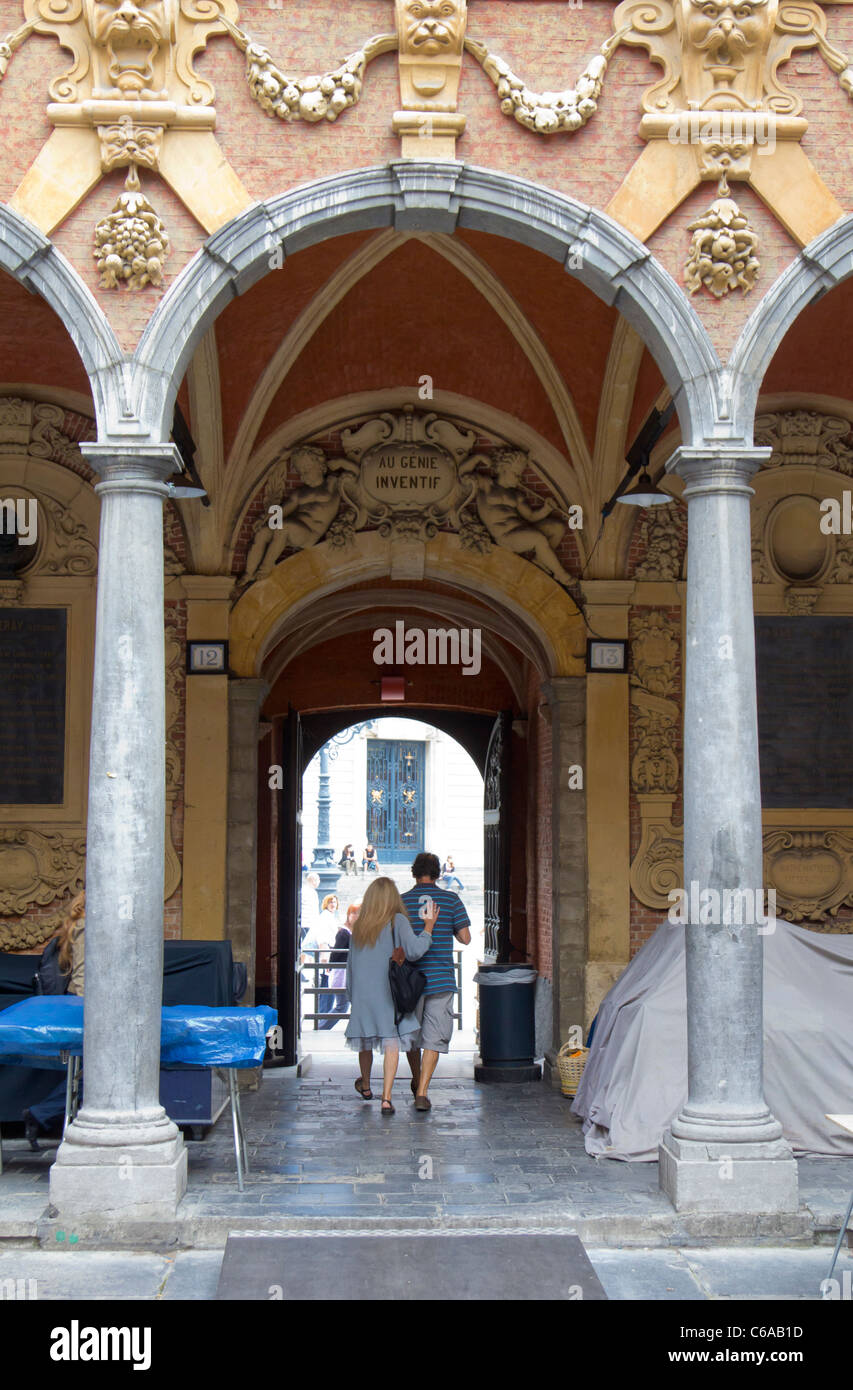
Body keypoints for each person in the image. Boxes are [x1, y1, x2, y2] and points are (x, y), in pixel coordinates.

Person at [346, 876, 438, 1114]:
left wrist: (352, 995)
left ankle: (366, 1085)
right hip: (388, 991)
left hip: (363, 993)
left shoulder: (360, 927)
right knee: (391, 1041)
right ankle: (386, 1098)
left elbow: (351, 965)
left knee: (365, 1040)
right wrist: (428, 927)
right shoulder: (397, 921)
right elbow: (415, 951)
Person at [402, 852, 471, 1111]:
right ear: (438, 873)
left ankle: (417, 1076)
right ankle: (422, 1091)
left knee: (411, 1034)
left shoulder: (402, 902)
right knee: (434, 1036)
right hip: (440, 978)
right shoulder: (451, 900)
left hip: (409, 981)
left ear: (414, 872)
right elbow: (465, 938)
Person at [23, 890, 85, 1148]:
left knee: (88, 1075)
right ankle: (39, 1114)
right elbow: (83, 977)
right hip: (87, 1008)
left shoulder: (80, 925)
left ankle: (39, 1115)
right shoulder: (88, 927)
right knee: (94, 1076)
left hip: (83, 1006)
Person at [302, 893, 339, 1029]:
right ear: (325, 904)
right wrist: (325, 959)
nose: (333, 904)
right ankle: (322, 1022)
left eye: (335, 902)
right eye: (330, 902)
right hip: (326, 957)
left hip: (327, 956)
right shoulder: (325, 917)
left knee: (326, 991)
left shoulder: (328, 917)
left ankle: (322, 1020)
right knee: (326, 991)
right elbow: (322, 939)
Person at [326, 900, 360, 1026]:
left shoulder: (351, 932)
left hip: (347, 974)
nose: (357, 916)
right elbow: (336, 952)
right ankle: (321, 1027)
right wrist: (330, 966)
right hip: (341, 974)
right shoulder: (344, 933)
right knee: (341, 1006)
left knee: (345, 1006)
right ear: (348, 914)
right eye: (354, 913)